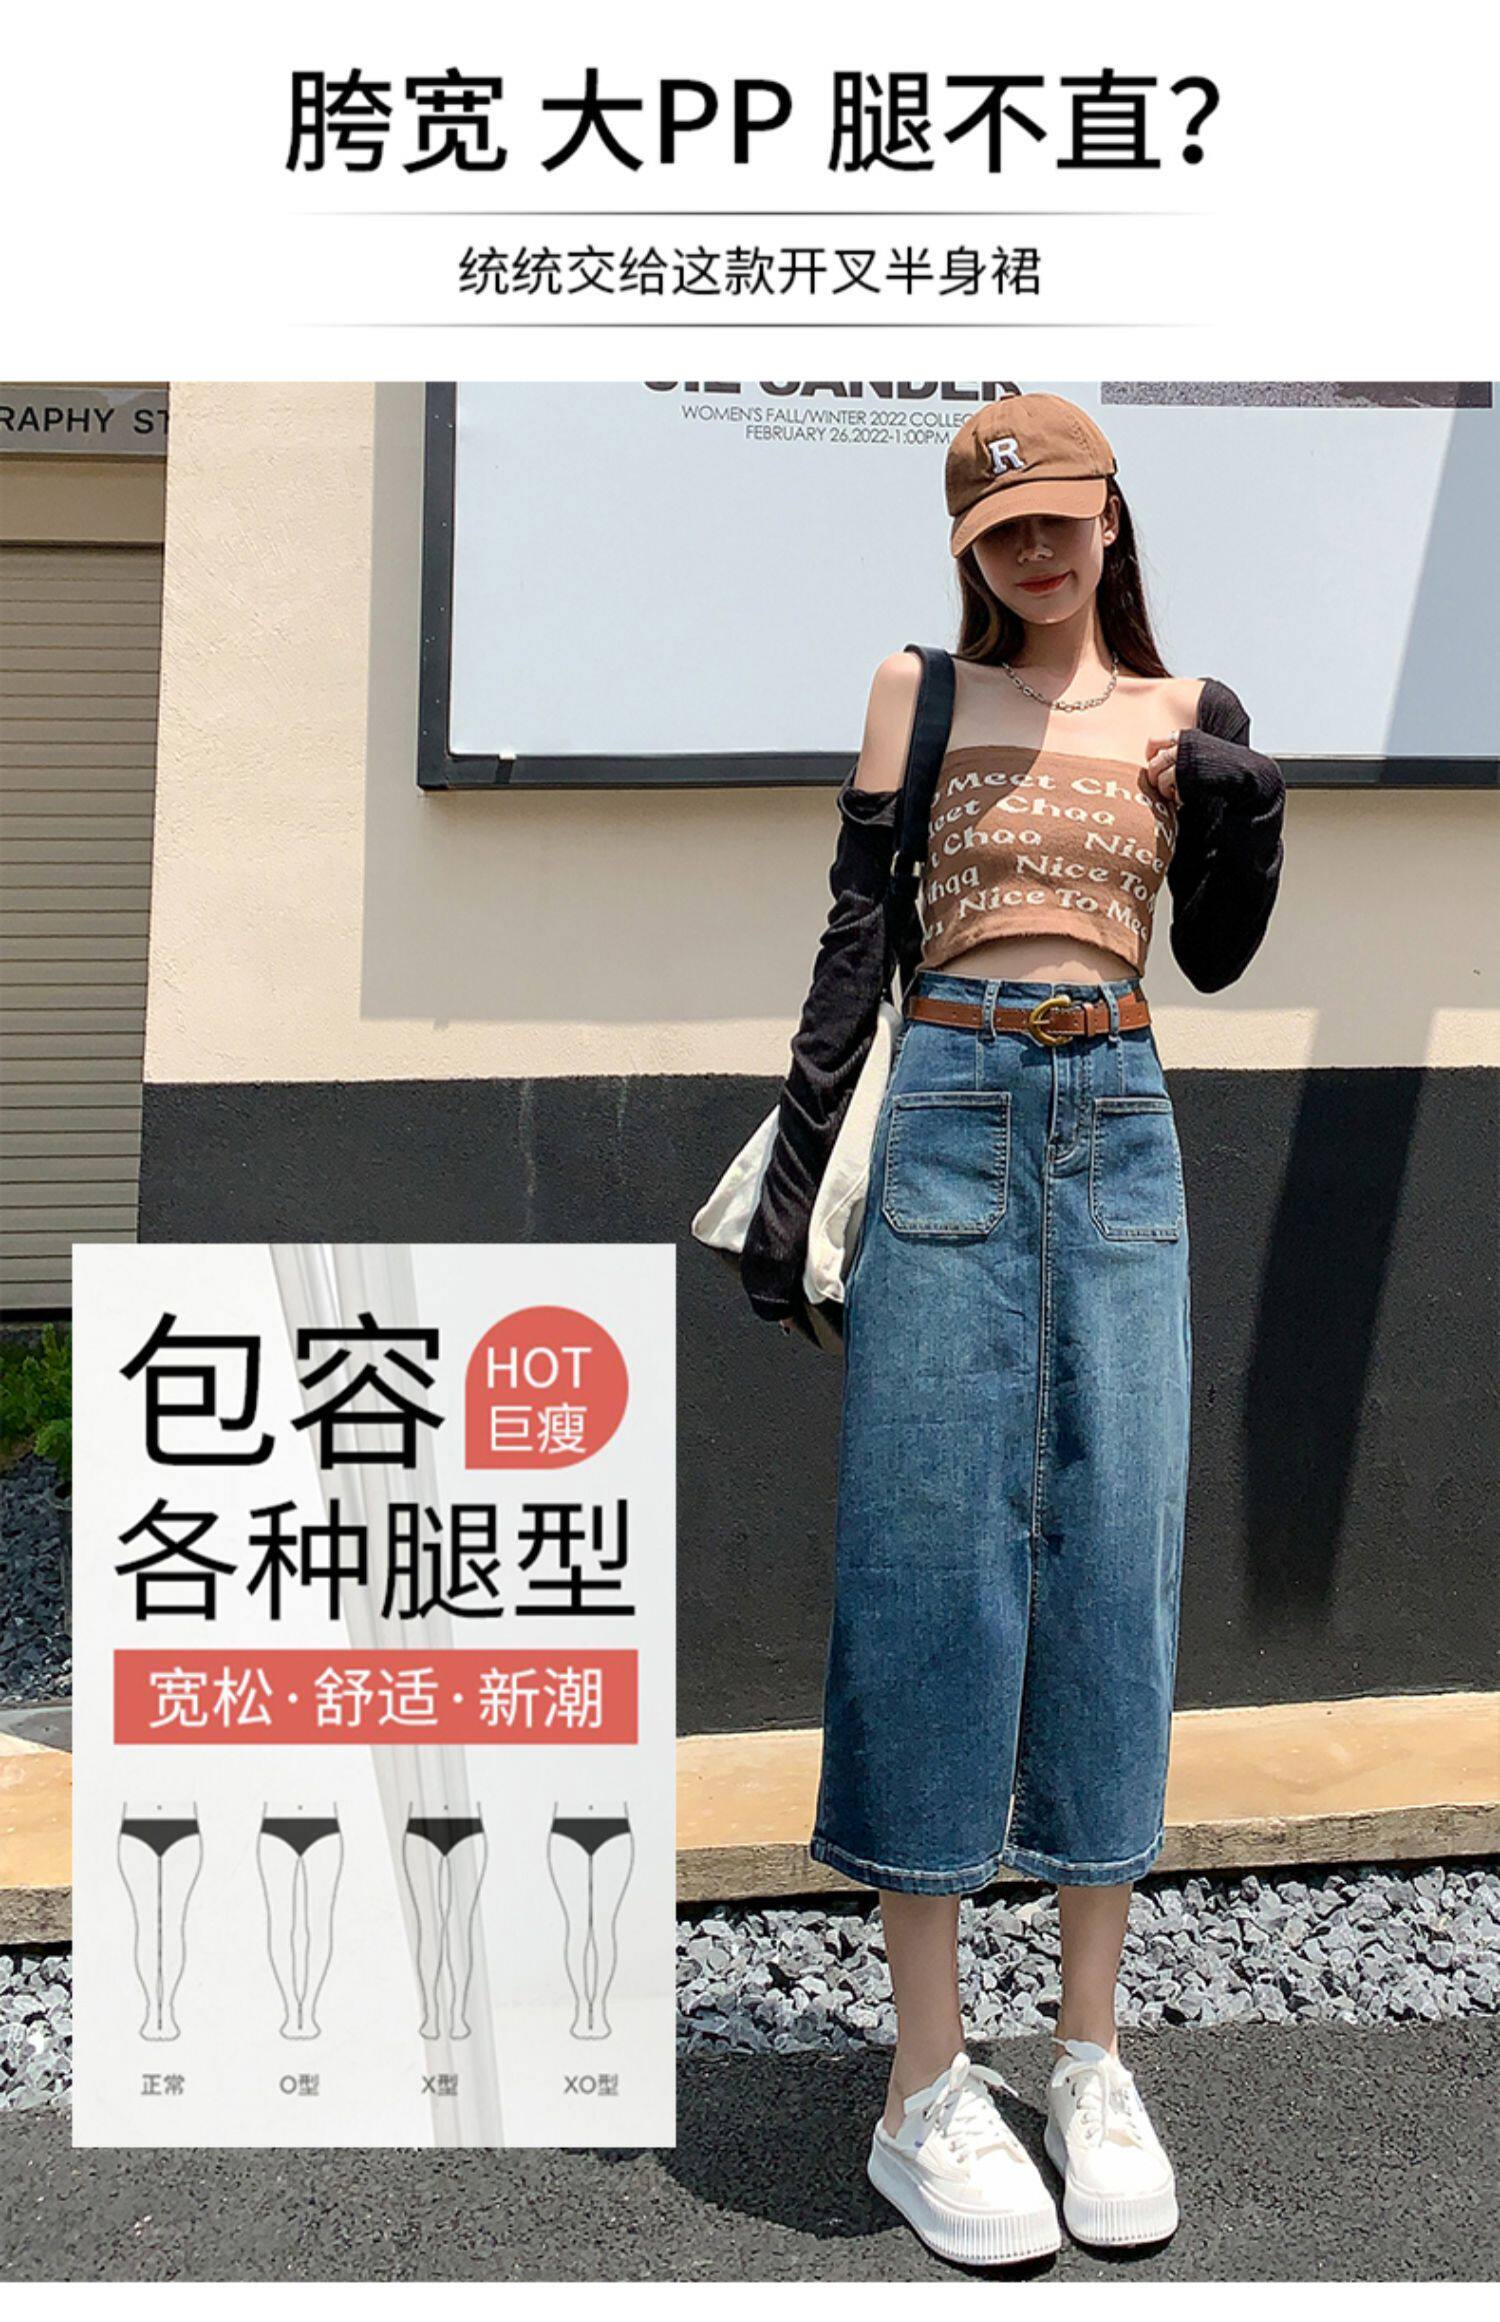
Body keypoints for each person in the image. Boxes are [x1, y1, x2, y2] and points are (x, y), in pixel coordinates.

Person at [741, 392, 1287, 2266]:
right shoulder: (918, 693)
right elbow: (855, 940)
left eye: (1062, 518)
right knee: (927, 1562)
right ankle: (922, 2078)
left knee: (1116, 1555)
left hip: (1121, 1113)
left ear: (1111, 517)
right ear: (968, 549)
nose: (1039, 552)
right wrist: (802, 1167)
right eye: (1002, 532)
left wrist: (1247, 817)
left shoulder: (1190, 710)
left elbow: (1214, 952)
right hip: (954, 1107)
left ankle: (1090, 2055)